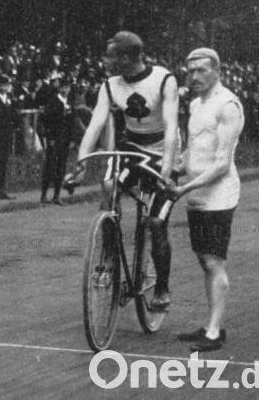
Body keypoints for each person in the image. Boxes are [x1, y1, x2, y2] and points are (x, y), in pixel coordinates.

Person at [69, 31, 179, 311]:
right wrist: (81, 163)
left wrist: (166, 171)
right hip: (132, 148)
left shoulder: (164, 79)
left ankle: (162, 288)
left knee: (155, 223)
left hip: (163, 152)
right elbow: (95, 124)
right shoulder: (110, 85)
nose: (105, 61)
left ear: (128, 57)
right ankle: (107, 258)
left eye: (111, 56)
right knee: (109, 186)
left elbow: (170, 128)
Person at [170, 48, 244, 352]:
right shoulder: (196, 103)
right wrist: (176, 169)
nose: (194, 76)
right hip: (198, 193)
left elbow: (222, 164)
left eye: (201, 70)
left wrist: (184, 187)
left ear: (217, 70)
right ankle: (210, 324)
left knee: (214, 261)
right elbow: (194, 151)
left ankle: (214, 332)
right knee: (205, 260)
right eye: (190, 71)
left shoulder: (228, 105)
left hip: (220, 195)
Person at [39, 77, 76, 205]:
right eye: (62, 87)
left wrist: (72, 139)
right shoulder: (53, 101)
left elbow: (72, 122)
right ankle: (43, 195)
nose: (65, 90)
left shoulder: (69, 102)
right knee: (50, 166)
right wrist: (50, 138)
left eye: (67, 87)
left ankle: (56, 195)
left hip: (65, 139)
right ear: (59, 88)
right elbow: (47, 121)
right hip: (55, 139)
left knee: (61, 167)